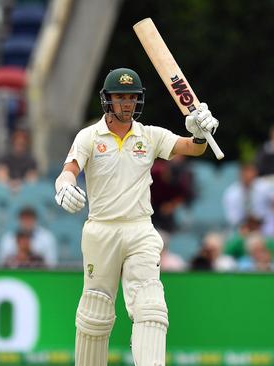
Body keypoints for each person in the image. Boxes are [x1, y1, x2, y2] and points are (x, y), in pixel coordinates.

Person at [53, 68, 219, 366]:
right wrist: (64, 186)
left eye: (132, 97)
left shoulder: (150, 135)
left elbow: (192, 148)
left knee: (151, 305)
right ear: (108, 100)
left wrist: (199, 132)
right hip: (101, 230)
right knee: (96, 312)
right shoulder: (89, 136)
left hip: (141, 229)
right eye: (120, 97)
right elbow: (69, 170)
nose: (127, 103)